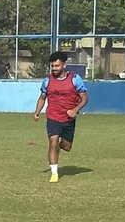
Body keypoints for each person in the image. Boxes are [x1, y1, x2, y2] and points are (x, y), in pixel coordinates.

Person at [33, 51, 88, 183]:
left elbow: (84, 99)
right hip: (53, 117)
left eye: (57, 66)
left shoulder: (75, 79)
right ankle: (54, 173)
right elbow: (42, 97)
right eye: (52, 66)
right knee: (53, 141)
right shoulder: (47, 81)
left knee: (66, 147)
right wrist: (37, 112)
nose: (54, 69)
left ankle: (61, 144)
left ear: (64, 65)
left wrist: (75, 110)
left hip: (68, 119)